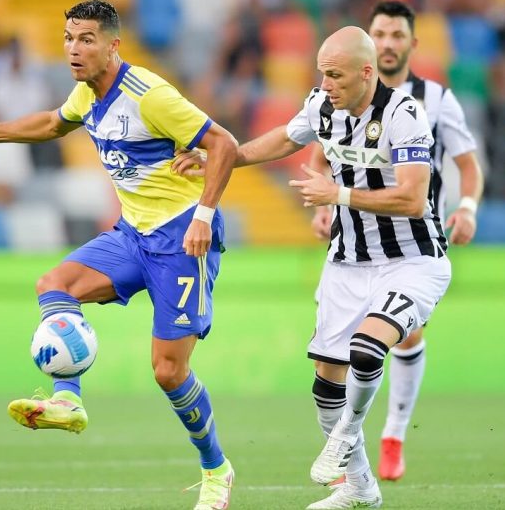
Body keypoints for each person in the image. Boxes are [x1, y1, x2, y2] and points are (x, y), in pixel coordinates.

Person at [0, 0, 238, 510]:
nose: (74, 49)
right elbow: (52, 124)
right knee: (54, 284)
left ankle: (216, 468)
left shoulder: (149, 95)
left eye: (86, 39)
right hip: (132, 235)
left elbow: (224, 144)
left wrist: (204, 217)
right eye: (68, 38)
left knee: (168, 372)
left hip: (181, 238)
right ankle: (68, 399)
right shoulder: (87, 93)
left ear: (112, 45)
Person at [174, 25, 450, 509]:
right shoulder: (323, 105)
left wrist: (336, 194)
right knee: (326, 381)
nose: (326, 84)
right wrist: (222, 158)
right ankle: (359, 489)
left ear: (367, 73)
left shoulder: (404, 115)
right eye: (322, 74)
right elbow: (283, 140)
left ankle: (348, 430)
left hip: (411, 261)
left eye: (336, 76)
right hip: (347, 262)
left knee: (367, 348)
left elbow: (412, 198)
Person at [308, 0, 483, 482]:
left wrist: (468, 207)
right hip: (354, 248)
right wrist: (325, 207)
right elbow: (322, 155)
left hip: (412, 242)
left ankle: (393, 434)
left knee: (395, 335)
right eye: (380, 34)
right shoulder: (338, 96)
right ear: (367, 44)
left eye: (397, 35)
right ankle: (356, 475)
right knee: (336, 360)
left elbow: (467, 165)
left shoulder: (434, 100)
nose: (387, 43)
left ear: (412, 43)